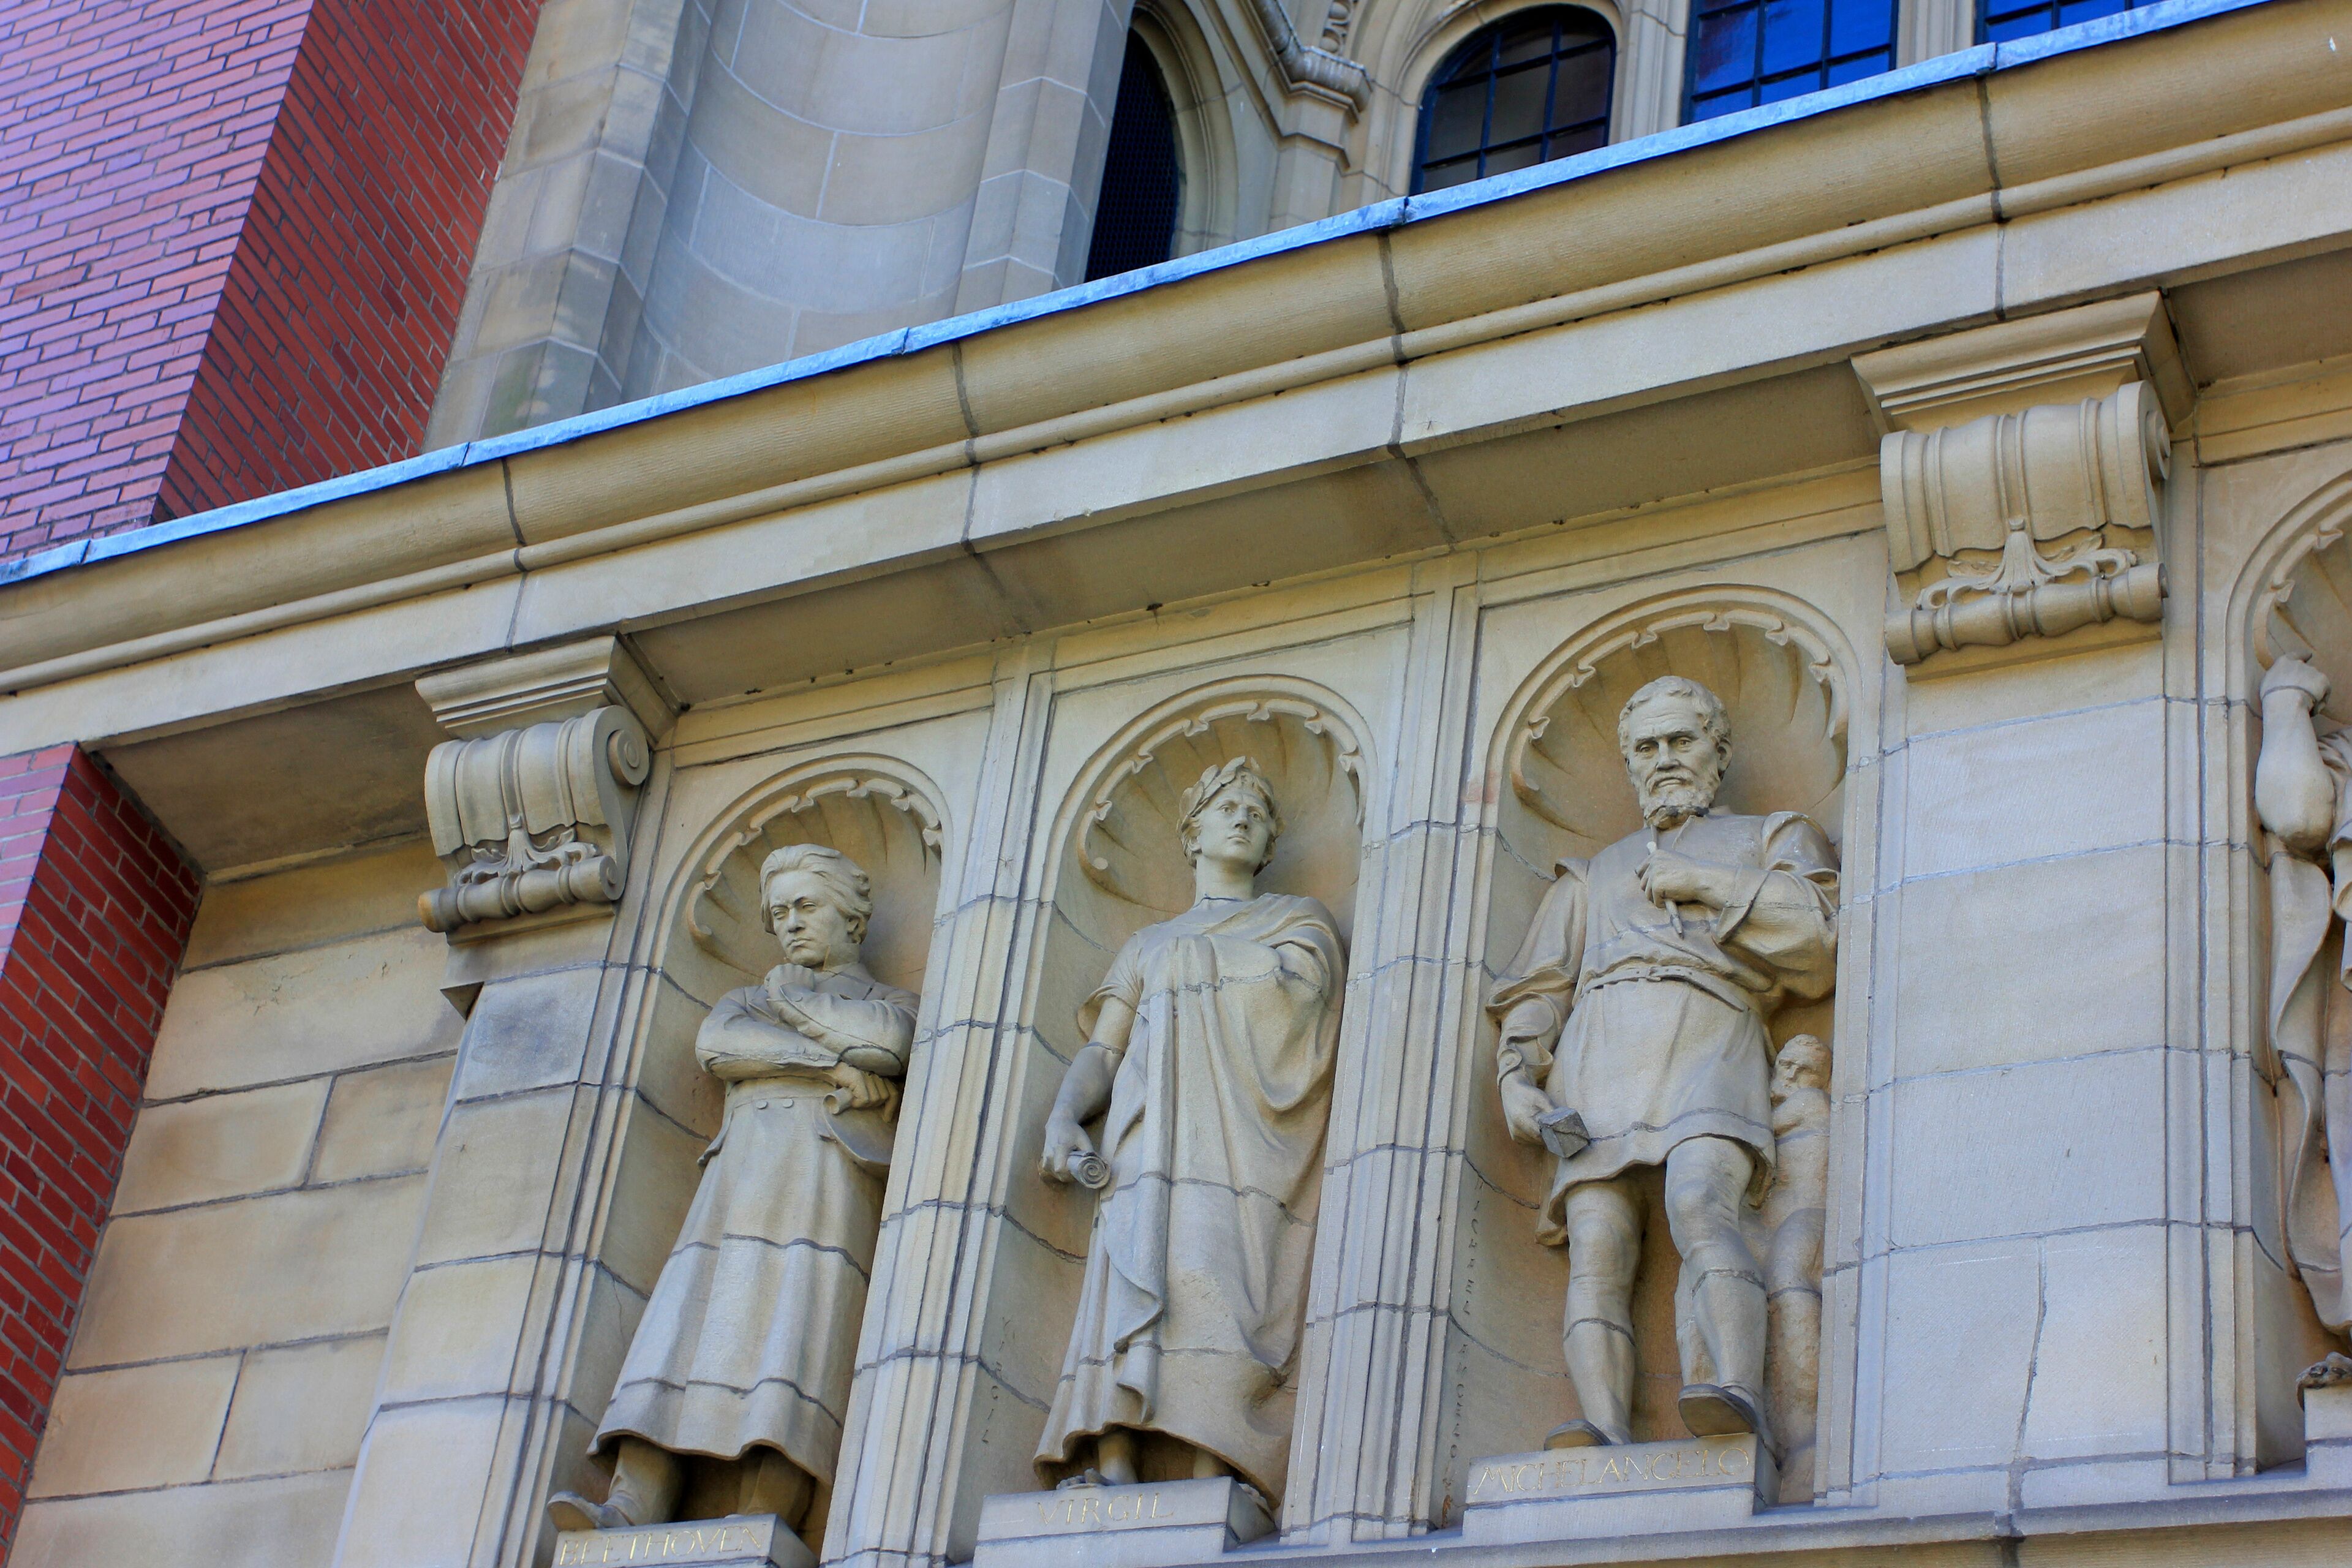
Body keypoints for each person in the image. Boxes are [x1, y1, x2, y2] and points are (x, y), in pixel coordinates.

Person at [1488, 676, 1838, 1449]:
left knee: (1702, 1204)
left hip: (1711, 1033)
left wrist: (1702, 882)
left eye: (1682, 740)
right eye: (1647, 747)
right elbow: (1542, 987)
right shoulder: (1594, 873)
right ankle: (1604, 1429)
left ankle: (1734, 1392)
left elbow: (1818, 945)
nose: (1665, 759)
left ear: (1718, 750)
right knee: (1598, 1242)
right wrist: (1518, 1072)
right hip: (1600, 1051)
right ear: (1628, 763)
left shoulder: (1773, 835)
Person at [550, 845, 918, 1537]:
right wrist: (832, 1067)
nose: (790, 925)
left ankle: (765, 1514)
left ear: (852, 915)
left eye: (806, 906)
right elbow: (721, 1044)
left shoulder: (884, 1000)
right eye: (779, 913)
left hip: (823, 1187)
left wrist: (791, 1007)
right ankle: (631, 1505)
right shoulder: (746, 998)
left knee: (795, 1340)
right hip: (736, 1191)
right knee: (682, 1334)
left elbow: (889, 1044)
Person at [1035, 757, 1346, 1505]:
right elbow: (1104, 1050)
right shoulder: (1149, 944)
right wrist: (1063, 1115)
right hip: (1147, 1141)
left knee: (1217, 1279)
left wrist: (1208, 967)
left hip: (1243, 1142)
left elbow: (1303, 1004)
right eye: (1225, 805)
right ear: (1192, 833)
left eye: (1257, 812)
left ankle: (1218, 1463)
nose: (1242, 817)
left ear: (1270, 841)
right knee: (1131, 1280)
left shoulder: (1298, 923)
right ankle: (1113, 1462)